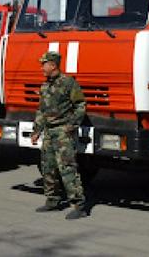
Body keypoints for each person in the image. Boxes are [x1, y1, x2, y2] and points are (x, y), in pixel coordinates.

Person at [30, 51, 88, 220]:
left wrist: (71, 125)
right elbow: (41, 110)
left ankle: (79, 206)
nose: (42, 67)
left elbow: (80, 105)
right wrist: (36, 131)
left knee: (67, 168)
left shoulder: (68, 83)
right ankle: (52, 200)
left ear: (53, 65)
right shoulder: (45, 86)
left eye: (44, 64)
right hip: (48, 132)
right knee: (48, 167)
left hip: (63, 131)